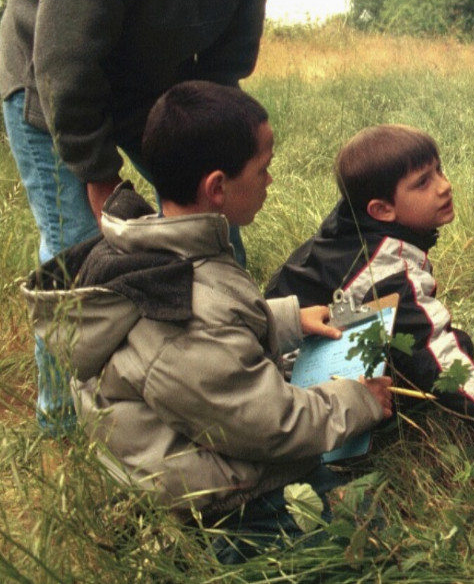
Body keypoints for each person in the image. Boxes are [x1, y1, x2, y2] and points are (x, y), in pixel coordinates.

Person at [20, 81, 393, 563]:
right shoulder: (179, 306)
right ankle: (191, 554)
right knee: (367, 533)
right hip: (208, 506)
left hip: (178, 455)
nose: (270, 181)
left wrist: (283, 319)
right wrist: (357, 400)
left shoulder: (159, 248)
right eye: (263, 169)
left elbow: (215, 336)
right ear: (218, 187)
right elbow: (269, 424)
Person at [0, 0, 272, 433]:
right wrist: (101, 175)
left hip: (153, 83)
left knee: (215, 229)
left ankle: (233, 382)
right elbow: (64, 65)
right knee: (84, 252)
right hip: (51, 82)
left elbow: (228, 58)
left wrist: (210, 148)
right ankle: (66, 430)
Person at [265, 125, 474, 471]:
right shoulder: (389, 270)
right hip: (301, 403)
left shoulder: (349, 228)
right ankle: (350, 461)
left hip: (281, 379)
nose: (445, 186)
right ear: (381, 210)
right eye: (423, 182)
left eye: (439, 170)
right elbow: (440, 355)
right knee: (442, 353)